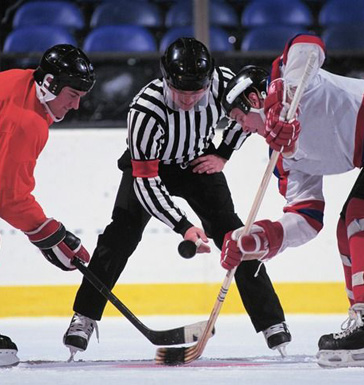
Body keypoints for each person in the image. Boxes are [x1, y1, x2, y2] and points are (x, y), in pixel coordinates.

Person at [63, 37, 291, 359]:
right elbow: (146, 183)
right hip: (152, 168)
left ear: (209, 80)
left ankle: (272, 323)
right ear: (165, 79)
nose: (188, 100)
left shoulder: (224, 83)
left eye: (195, 93)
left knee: (236, 234)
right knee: (120, 235)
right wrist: (183, 226)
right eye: (181, 92)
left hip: (198, 162)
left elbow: (248, 114)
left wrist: (223, 152)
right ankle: (84, 317)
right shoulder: (145, 110)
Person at [220, 33, 364, 368]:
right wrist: (259, 238)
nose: (241, 128)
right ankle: (360, 317)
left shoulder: (294, 82)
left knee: (359, 215)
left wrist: (283, 104)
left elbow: (308, 42)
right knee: (347, 226)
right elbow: (307, 216)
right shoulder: (283, 156)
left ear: (254, 97)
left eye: (238, 117)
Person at [0, 44, 95, 366]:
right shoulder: (27, 122)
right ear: (50, 83)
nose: (77, 105)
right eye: (72, 95)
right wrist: (49, 234)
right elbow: (8, 196)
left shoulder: (20, 79)